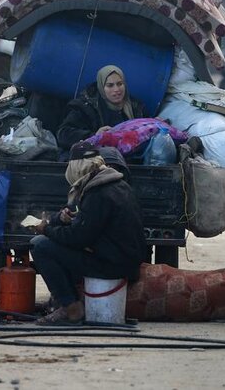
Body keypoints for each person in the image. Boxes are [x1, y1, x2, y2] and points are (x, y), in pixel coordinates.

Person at [30, 141, 147, 325]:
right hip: (124, 260)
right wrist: (72, 219)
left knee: (40, 245)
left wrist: (47, 229)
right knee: (52, 243)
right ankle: (72, 301)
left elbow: (77, 238)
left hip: (113, 265)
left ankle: (71, 309)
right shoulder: (118, 185)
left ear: (76, 168)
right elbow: (98, 225)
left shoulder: (98, 193)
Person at [56, 65, 147, 151]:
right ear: (101, 87)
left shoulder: (135, 107)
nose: (116, 89)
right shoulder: (86, 106)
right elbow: (63, 134)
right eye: (110, 85)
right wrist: (95, 136)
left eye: (119, 84)